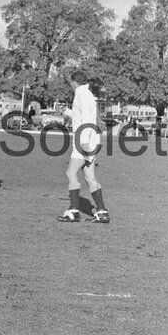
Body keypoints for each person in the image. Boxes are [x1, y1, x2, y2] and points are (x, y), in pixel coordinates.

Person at [57, 70, 110, 223]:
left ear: (74, 82)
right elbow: (81, 116)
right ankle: (102, 212)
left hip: (84, 140)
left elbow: (87, 118)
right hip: (90, 139)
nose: (70, 85)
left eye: (70, 83)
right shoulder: (85, 94)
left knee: (70, 173)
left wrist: (85, 140)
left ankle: (73, 211)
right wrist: (66, 111)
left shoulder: (82, 95)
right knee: (89, 177)